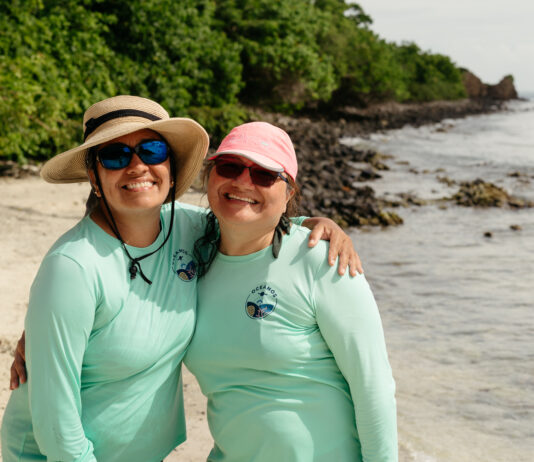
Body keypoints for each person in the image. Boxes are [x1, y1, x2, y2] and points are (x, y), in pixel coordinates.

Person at [1, 96, 361, 462]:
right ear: (94, 176)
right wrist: (44, 328)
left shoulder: (186, 228)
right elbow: (55, 429)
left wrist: (314, 226)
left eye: (152, 150)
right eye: (114, 155)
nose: (137, 166)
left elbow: (250, 217)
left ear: (171, 169)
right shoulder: (73, 268)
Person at [184, 122, 398, 461]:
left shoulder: (323, 261)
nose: (242, 181)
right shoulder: (188, 247)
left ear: (289, 194)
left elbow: (373, 387)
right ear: (209, 176)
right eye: (229, 167)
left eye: (264, 175)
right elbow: (136, 206)